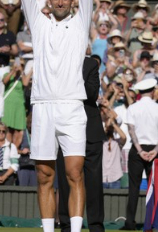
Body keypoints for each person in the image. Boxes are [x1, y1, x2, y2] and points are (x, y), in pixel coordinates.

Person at [19, 0, 93, 232]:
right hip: (44, 106)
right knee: (44, 177)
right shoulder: (39, 23)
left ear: (71, 1)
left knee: (75, 173)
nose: (61, 2)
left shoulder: (80, 21)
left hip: (73, 106)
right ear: (49, 1)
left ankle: (75, 231)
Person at [56, 57, 106, 232]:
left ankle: (96, 227)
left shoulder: (90, 63)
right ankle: (67, 226)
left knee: (94, 183)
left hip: (89, 130)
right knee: (64, 180)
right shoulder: (57, 61)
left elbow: (92, 93)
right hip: (65, 128)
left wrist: (71, 78)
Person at [123, 78, 158, 230]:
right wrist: (156, 150)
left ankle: (130, 223)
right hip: (153, 149)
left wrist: (140, 150)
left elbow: (131, 131)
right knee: (156, 187)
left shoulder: (133, 108)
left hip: (137, 150)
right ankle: (156, 222)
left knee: (133, 188)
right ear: (152, 91)